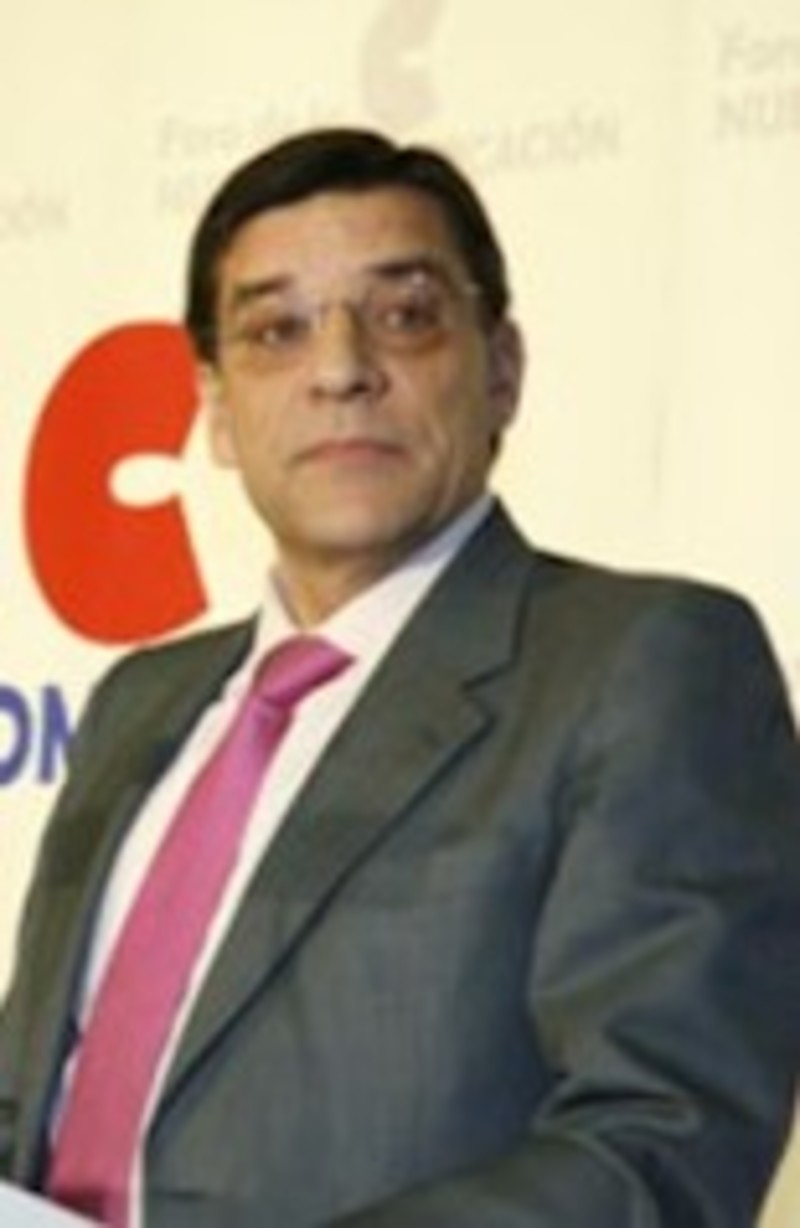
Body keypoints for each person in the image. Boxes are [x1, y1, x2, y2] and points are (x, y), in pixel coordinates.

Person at [1, 127, 799, 1228]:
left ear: (501, 368)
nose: (339, 370)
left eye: (404, 314)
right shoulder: (139, 704)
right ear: (217, 410)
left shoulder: (643, 663)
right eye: (275, 330)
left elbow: (660, 1143)